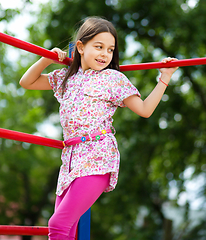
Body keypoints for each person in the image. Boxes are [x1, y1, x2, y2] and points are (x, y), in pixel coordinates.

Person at [19, 16, 178, 240]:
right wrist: (47, 59)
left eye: (110, 49)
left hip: (97, 157)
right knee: (67, 230)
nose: (105, 54)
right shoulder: (67, 77)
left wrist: (165, 78)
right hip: (70, 161)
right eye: (99, 47)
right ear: (81, 47)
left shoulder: (113, 79)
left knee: (57, 224)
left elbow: (144, 109)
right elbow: (27, 82)